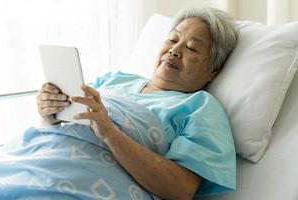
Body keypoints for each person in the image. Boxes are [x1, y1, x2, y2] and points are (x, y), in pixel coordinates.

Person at [37, 7, 239, 200]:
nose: (174, 51)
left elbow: (182, 190)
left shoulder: (201, 107)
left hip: (78, 183)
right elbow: (65, 135)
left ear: (214, 69)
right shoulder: (114, 79)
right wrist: (50, 115)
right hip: (40, 164)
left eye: (191, 48)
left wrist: (109, 132)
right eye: (173, 39)